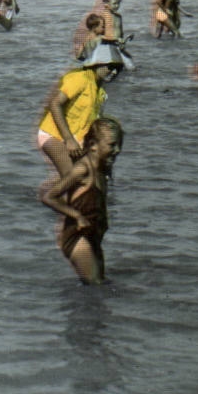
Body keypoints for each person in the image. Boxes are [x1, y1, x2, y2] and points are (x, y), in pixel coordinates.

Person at [39, 116, 124, 284]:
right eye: (112, 145)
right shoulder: (82, 169)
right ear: (93, 145)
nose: (117, 150)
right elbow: (49, 197)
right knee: (95, 284)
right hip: (77, 236)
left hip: (93, 235)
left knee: (100, 285)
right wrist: (77, 216)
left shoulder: (102, 170)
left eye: (120, 145)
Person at [36, 42, 124, 200]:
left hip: (76, 139)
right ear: (97, 63)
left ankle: (49, 196)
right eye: (110, 67)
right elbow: (55, 104)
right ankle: (53, 201)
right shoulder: (80, 79)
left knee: (93, 179)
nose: (114, 72)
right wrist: (69, 140)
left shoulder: (100, 92)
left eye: (118, 68)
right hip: (53, 135)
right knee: (74, 179)